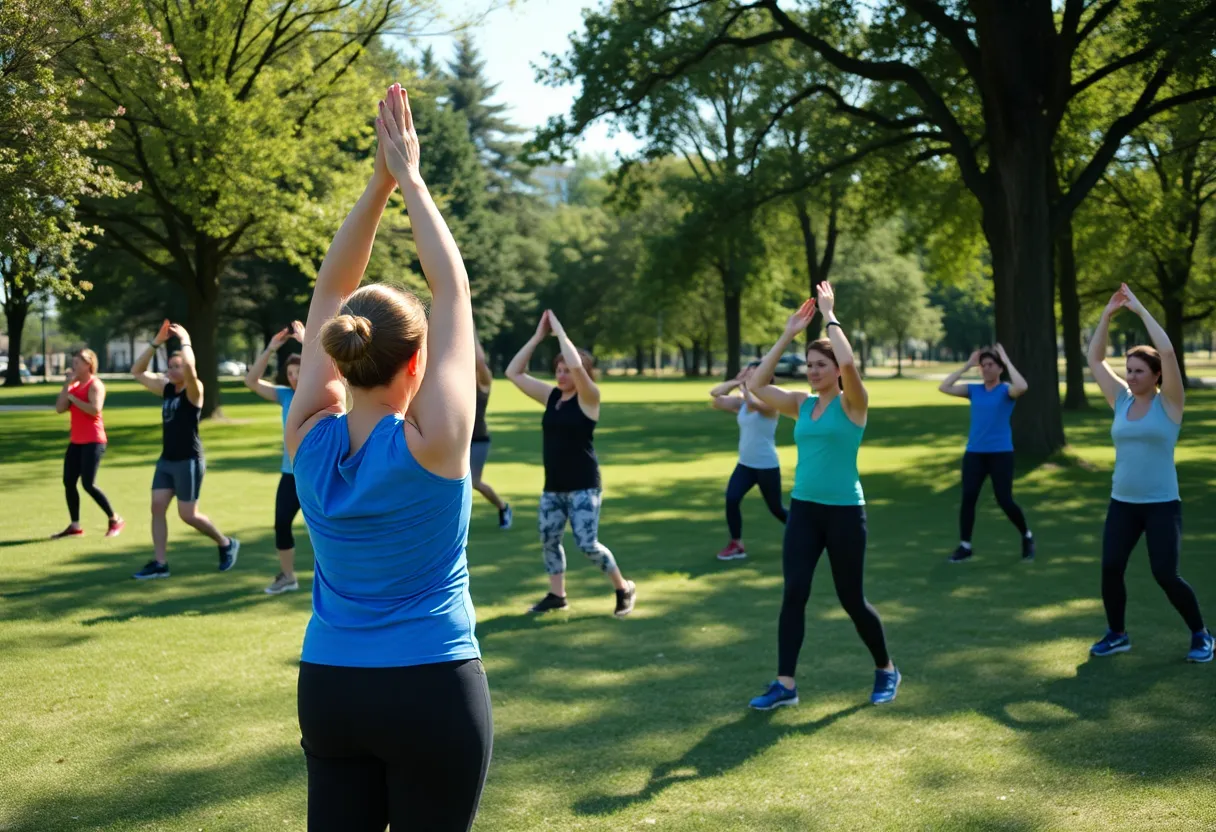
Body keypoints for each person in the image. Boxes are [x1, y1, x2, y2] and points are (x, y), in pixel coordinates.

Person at [285, 84, 492, 831]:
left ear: (338, 358)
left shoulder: (308, 434)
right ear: (416, 367)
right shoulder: (437, 445)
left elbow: (331, 286)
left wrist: (377, 185)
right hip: (432, 686)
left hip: (332, 689)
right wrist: (408, 178)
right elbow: (454, 288)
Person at [745, 284, 899, 709]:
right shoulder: (799, 403)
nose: (812, 371)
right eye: (809, 364)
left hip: (846, 513)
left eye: (820, 365)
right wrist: (787, 334)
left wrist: (830, 315)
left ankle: (886, 667)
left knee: (852, 600)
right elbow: (758, 385)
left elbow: (849, 361)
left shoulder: (854, 404)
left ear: (835, 369)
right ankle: (785, 685)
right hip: (805, 512)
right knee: (794, 592)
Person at [1086, 283, 1213, 663]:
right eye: (1129, 370)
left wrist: (1140, 309)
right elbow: (1094, 360)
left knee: (1165, 574)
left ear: (1157, 375)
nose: (1132, 376)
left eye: (1139, 371)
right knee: (1110, 568)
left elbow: (1169, 351)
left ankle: (1201, 634)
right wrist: (1106, 316)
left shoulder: (1171, 404)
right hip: (1122, 503)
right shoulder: (1121, 399)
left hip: (1161, 505)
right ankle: (1117, 633)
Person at [506, 309, 637, 617]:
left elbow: (579, 368)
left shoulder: (589, 398)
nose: (561, 374)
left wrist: (561, 334)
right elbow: (514, 372)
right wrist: (539, 337)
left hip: (583, 486)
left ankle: (623, 587)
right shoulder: (551, 397)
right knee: (549, 539)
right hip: (554, 487)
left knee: (587, 543)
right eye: (558, 369)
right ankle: (557, 594)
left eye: (567, 370)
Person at [130, 320, 239, 579]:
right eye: (170, 366)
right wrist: (156, 342)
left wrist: (185, 340)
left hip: (189, 459)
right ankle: (160, 563)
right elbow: (137, 370)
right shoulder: (166, 389)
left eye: (175, 366)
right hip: (167, 459)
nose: (172, 370)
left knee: (188, 515)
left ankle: (225, 543)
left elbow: (190, 367)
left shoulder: (194, 391)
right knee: (157, 506)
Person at [937, 343, 1034, 563]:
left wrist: (1006, 359)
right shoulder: (974, 390)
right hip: (975, 454)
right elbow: (944, 387)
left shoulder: (1006, 391)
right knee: (968, 498)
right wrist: (967, 365)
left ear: (999, 368)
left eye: (991, 365)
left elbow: (1023, 386)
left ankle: (1027, 536)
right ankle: (965, 546)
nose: (986, 369)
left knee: (1005, 500)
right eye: (983, 365)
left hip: (1001, 454)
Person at [244, 321, 306, 595]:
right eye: (290, 373)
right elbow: (251, 381)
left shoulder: (324, 392)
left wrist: (307, 343)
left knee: (329, 527)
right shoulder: (285, 396)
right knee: (281, 524)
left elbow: (336, 369)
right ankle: (288, 577)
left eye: (299, 371)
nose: (294, 377)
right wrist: (270, 348)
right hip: (290, 474)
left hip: (318, 474)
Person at [710, 361, 786, 561]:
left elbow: (755, 404)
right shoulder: (742, 401)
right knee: (732, 499)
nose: (750, 378)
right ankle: (736, 544)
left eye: (755, 374)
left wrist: (746, 388)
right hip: (745, 464)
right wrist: (736, 381)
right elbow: (715, 397)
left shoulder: (771, 402)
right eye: (749, 374)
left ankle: (810, 533)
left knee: (776, 509)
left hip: (766, 465)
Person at [51, 348, 124, 538]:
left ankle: (115, 519)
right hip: (76, 441)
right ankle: (75, 526)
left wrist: (74, 398)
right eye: (73, 362)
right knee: (68, 481)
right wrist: (67, 386)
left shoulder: (95, 385)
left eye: (78, 362)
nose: (74, 365)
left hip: (94, 440)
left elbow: (95, 409)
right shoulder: (73, 386)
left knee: (88, 484)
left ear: (89, 364)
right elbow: (59, 408)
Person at [471, 338, 512, 529]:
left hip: (478, 439)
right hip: (459, 440)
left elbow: (479, 360)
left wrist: (471, 326)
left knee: (475, 482)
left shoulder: (483, 385)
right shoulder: (459, 386)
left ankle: (503, 507)